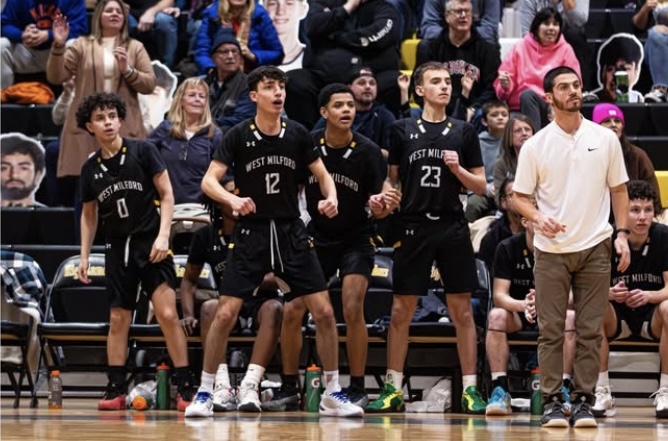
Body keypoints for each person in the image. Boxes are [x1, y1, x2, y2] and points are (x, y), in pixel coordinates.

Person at [185, 66, 363, 418]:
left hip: (290, 230)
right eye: (270, 88)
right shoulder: (236, 135)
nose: (278, 93)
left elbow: (324, 177)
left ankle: (332, 391)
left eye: (281, 87)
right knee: (225, 313)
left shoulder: (298, 133)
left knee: (325, 311)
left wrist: (332, 198)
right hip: (251, 232)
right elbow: (209, 182)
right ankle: (206, 391)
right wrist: (232, 201)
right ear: (254, 96)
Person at [262, 84, 400, 411]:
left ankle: (356, 386)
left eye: (350, 105)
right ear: (324, 112)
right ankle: (288, 386)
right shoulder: (308, 145)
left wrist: (384, 203)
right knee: (293, 308)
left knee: (352, 306)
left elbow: (383, 199)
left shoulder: (367, 151)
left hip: (356, 236)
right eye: (338, 105)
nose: (346, 110)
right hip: (317, 236)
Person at [366, 61, 488, 414]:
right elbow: (393, 182)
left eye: (446, 82)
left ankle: (470, 390)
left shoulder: (463, 131)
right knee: (401, 309)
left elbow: (480, 186)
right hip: (413, 225)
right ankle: (392, 388)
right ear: (419, 90)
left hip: (451, 225)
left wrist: (457, 169)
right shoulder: (401, 129)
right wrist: (385, 196)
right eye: (435, 82)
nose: (444, 87)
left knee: (462, 310)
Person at [513, 65, 631, 428]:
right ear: (549, 97)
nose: (573, 91)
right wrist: (536, 217)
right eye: (564, 87)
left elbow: (619, 190)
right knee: (551, 330)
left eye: (576, 85)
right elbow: (520, 197)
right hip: (550, 249)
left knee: (590, 329)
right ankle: (551, 401)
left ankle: (582, 400)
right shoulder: (536, 145)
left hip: (596, 244)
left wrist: (622, 234)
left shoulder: (605, 139)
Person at [75, 92, 193, 411]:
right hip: (116, 248)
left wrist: (164, 236)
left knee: (168, 315)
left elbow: (167, 196)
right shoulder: (91, 169)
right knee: (118, 319)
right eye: (100, 118)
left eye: (112, 116)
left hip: (151, 243)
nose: (108, 122)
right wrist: (85, 256)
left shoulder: (143, 150)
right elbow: (89, 215)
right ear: (90, 126)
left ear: (120, 119)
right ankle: (115, 387)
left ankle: (184, 384)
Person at [179, 178, 284, 412]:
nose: (239, 199)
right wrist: (187, 313)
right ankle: (221, 385)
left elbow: (279, 277)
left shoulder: (261, 232)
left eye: (242, 194)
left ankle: (251, 385)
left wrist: (247, 280)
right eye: (232, 194)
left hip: (259, 300)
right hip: (228, 304)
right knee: (208, 308)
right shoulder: (205, 236)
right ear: (218, 202)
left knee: (275, 309)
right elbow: (188, 280)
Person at [46, 0, 155, 188]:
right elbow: (56, 77)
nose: (115, 14)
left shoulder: (135, 47)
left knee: (126, 187)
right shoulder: (82, 45)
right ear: (98, 16)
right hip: (88, 127)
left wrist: (128, 70)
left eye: (119, 12)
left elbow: (149, 85)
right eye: (109, 11)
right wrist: (58, 45)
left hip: (124, 123)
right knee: (88, 191)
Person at [592, 180, 668, 419]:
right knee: (595, 306)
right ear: (624, 213)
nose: (642, 217)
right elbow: (589, 288)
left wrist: (650, 295)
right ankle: (601, 390)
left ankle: (665, 389)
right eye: (635, 210)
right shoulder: (607, 238)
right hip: (617, 316)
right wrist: (609, 292)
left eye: (648, 210)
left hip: (652, 316)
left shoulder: (664, 237)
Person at [485, 217, 576, 416]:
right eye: (539, 218)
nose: (546, 223)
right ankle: (499, 390)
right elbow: (500, 295)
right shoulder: (507, 248)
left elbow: (571, 296)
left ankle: (563, 387)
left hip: (552, 312)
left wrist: (545, 303)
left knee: (570, 317)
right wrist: (524, 304)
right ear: (525, 221)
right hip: (517, 313)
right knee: (496, 316)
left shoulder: (562, 248)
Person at [284, 0, 402, 129]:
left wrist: (337, 37)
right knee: (295, 80)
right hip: (325, 79)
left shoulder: (383, 7)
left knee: (394, 82)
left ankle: (387, 139)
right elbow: (313, 27)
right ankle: (311, 138)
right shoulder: (321, 4)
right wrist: (347, 8)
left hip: (371, 76)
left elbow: (379, 35)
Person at [494, 7, 581, 130]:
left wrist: (557, 104)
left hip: (552, 107)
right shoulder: (520, 47)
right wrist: (505, 86)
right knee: (527, 96)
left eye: (555, 24)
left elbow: (574, 83)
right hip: (519, 108)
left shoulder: (566, 50)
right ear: (536, 27)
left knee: (528, 96)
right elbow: (503, 88)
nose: (551, 28)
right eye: (546, 23)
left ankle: (533, 143)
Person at [415, 0, 500, 124]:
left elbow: (491, 89)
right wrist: (438, 107)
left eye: (467, 12)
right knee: (414, 114)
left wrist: (473, 108)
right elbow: (419, 85)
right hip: (438, 107)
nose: (463, 16)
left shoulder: (487, 49)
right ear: (447, 16)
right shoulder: (429, 48)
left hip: (474, 110)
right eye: (458, 11)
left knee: (484, 114)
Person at [149, 77, 223, 205]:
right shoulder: (164, 129)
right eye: (192, 95)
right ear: (181, 100)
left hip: (200, 209)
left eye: (202, 96)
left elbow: (223, 177)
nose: (197, 99)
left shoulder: (215, 135)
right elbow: (145, 160)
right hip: (164, 206)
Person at [0, 0, 88, 89]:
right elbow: (4, 24)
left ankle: (74, 98)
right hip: (26, 51)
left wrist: (48, 35)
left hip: (58, 54)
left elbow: (80, 28)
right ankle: (3, 96)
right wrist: (22, 35)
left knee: (74, 44)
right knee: (1, 44)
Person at [312, 67, 396, 157]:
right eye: (361, 83)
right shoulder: (334, 114)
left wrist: (362, 149)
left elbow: (393, 156)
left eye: (372, 83)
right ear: (349, 87)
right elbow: (313, 144)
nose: (368, 87)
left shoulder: (385, 116)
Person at [194, 0, 283, 75]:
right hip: (217, 73)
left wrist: (253, 55)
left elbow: (277, 53)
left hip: (252, 75)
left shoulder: (260, 15)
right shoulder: (212, 15)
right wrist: (211, 70)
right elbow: (202, 52)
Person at [519, 0, 592, 91]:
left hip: (565, 42)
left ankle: (581, 90)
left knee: (575, 34)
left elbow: (578, 22)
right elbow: (527, 34)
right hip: (539, 43)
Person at [592, 103, 660, 195]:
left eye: (617, 121)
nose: (613, 125)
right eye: (607, 121)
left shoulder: (637, 155)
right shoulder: (588, 154)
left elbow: (653, 194)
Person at [465, 99, 508, 223]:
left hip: (508, 190)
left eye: (504, 115)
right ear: (484, 121)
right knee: (471, 205)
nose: (500, 118)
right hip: (482, 190)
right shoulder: (477, 143)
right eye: (494, 115)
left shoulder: (514, 142)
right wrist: (486, 188)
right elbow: (471, 173)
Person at [203, 31, 256, 131]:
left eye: (235, 51)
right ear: (213, 58)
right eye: (224, 52)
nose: (230, 56)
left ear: (240, 57)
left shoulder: (249, 84)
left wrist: (203, 124)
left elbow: (242, 120)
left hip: (231, 138)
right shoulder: (204, 83)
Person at [588, 34, 645, 104]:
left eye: (625, 69)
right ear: (602, 73)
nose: (617, 77)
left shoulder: (637, 99)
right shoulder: (592, 101)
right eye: (611, 69)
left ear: (636, 71)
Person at [124, 0, 179, 69]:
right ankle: (123, 68)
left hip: (157, 13)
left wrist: (150, 13)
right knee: (117, 18)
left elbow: (169, 1)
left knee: (164, 20)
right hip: (130, 15)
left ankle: (166, 69)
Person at [632, 0, 668, 102]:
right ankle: (661, 90)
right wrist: (645, 9)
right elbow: (637, 26)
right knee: (655, 34)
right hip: (652, 48)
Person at [420, 0, 500, 44]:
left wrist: (463, 35)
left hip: (478, 44)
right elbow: (428, 28)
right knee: (425, 45)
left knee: (490, 44)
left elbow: (490, 29)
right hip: (444, 44)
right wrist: (452, 35)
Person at [492, 114, 535, 196]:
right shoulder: (501, 164)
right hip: (511, 206)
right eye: (518, 131)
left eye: (527, 129)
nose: (524, 133)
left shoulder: (544, 158)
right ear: (509, 137)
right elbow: (499, 198)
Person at [0, 133, 46, 207]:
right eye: (4, 168)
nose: (14, 175)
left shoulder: (51, 217)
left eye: (23, 168)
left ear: (37, 175)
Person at [261, 0, 309, 71]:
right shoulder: (250, 57)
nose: (280, 12)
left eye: (289, 4)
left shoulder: (313, 59)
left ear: (302, 9)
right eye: (273, 4)